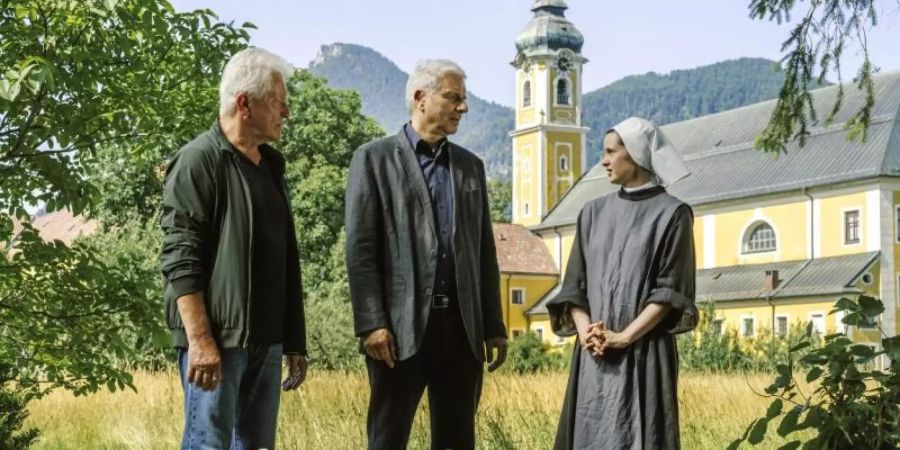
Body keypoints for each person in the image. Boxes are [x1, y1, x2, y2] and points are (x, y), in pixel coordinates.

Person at [344, 59, 508, 450]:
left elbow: (484, 251)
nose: (463, 108)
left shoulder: (471, 167)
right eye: (453, 98)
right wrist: (371, 323)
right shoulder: (373, 159)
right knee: (387, 439)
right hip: (397, 331)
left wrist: (493, 325)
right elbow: (361, 250)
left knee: (456, 440)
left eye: (463, 100)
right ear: (420, 98)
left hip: (462, 329)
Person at [160, 47, 308, 450]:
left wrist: (294, 340)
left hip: (267, 341)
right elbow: (180, 258)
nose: (286, 113)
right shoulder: (197, 161)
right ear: (245, 103)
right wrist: (201, 341)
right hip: (218, 344)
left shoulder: (272, 167)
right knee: (207, 444)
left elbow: (285, 260)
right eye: (278, 102)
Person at [547, 117, 698, 449]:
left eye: (610, 152)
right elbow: (574, 286)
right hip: (593, 354)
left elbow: (670, 291)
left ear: (636, 155)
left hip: (645, 352)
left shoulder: (673, 214)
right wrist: (588, 333)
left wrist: (624, 337)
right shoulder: (592, 212)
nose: (604, 161)